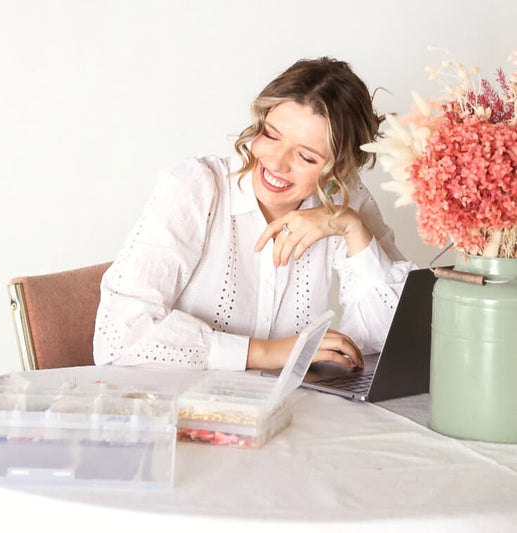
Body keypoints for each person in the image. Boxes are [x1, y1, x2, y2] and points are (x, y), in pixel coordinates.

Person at [93, 57, 415, 372]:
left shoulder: (346, 201)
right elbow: (119, 334)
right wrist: (268, 353)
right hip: (180, 410)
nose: (276, 162)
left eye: (306, 157)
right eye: (271, 135)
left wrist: (349, 226)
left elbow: (389, 341)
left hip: (288, 413)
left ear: (338, 170)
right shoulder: (197, 188)